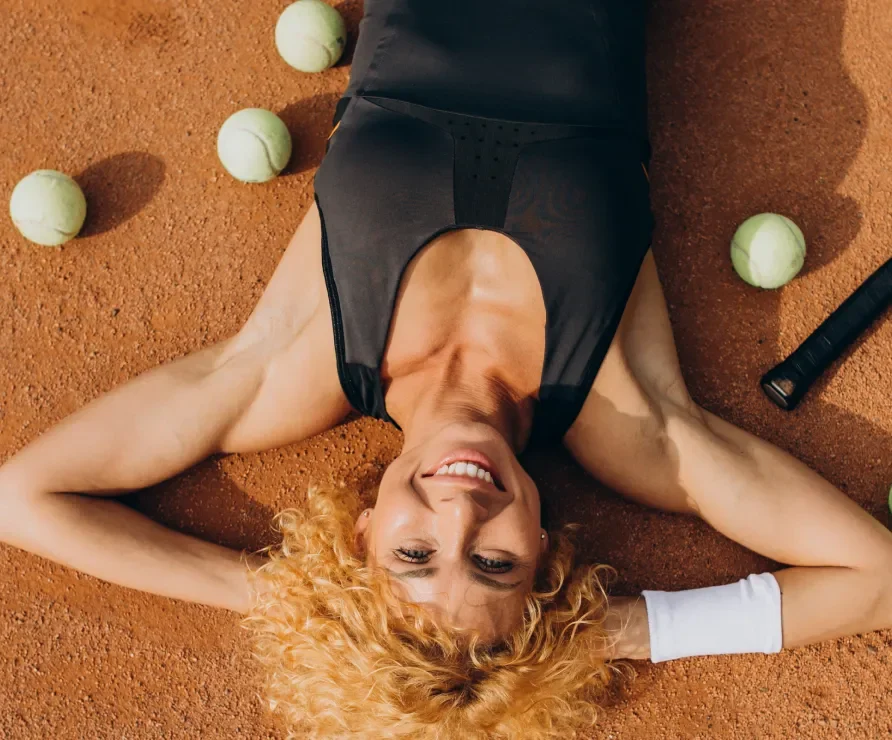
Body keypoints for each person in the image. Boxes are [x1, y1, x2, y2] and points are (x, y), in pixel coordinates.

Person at [2, 2, 891, 738]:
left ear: (361, 540)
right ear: (543, 557)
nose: (463, 512)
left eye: (414, 554)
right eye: (496, 564)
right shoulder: (632, 423)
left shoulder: (295, 366)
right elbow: (878, 579)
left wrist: (299, 598)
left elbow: (24, 499)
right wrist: (602, 633)